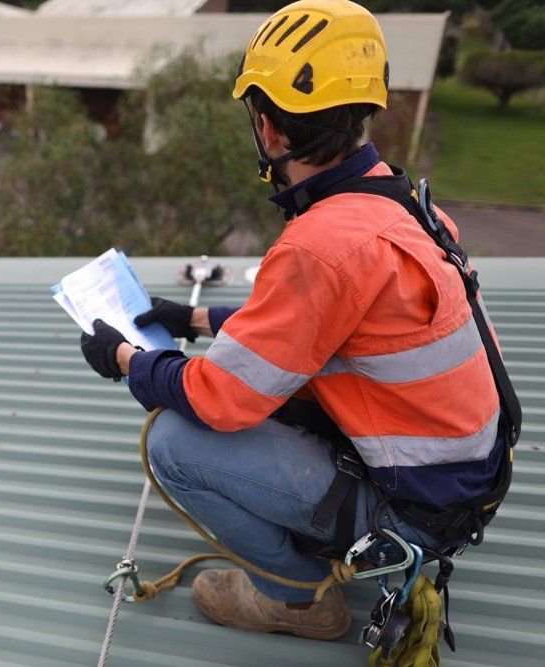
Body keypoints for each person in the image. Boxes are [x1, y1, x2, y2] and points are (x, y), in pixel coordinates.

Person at [79, 0, 510, 641]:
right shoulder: (406, 208)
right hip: (464, 490)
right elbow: (302, 330)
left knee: (171, 442)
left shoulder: (321, 244)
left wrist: (125, 359)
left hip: (413, 513)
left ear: (270, 129)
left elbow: (218, 398)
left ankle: (298, 600)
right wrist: (192, 317)